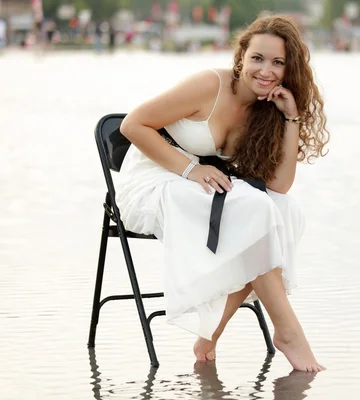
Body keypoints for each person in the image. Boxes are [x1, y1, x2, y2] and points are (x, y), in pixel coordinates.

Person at [117, 15, 329, 373]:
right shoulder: (208, 86)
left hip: (205, 186)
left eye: (278, 62)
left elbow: (278, 186)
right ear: (241, 57)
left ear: (289, 69)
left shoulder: (268, 110)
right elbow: (132, 124)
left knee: (283, 209)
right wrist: (190, 169)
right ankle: (289, 332)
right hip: (157, 178)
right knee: (255, 209)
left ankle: (213, 328)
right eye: (258, 58)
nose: (266, 70)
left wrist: (291, 117)